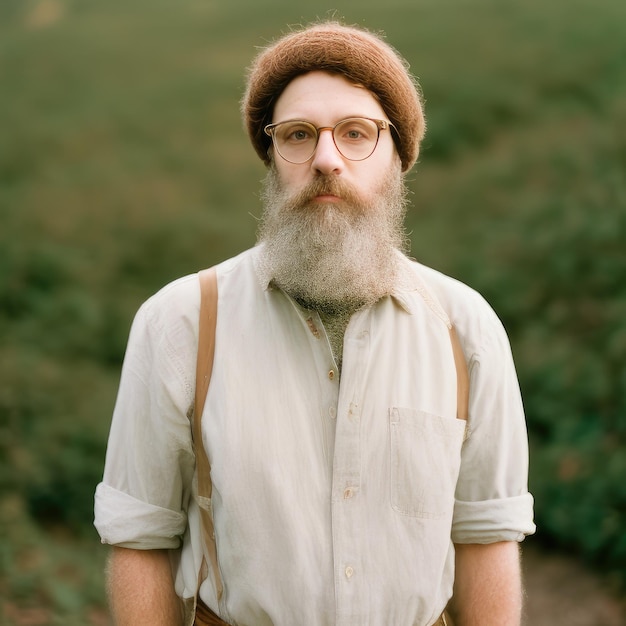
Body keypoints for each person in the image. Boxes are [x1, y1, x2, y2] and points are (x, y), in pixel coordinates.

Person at [94, 21, 535, 626]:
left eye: (357, 133)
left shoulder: (467, 330)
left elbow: (485, 534)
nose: (326, 159)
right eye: (298, 135)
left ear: (397, 159)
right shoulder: (179, 323)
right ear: (272, 158)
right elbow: (140, 536)